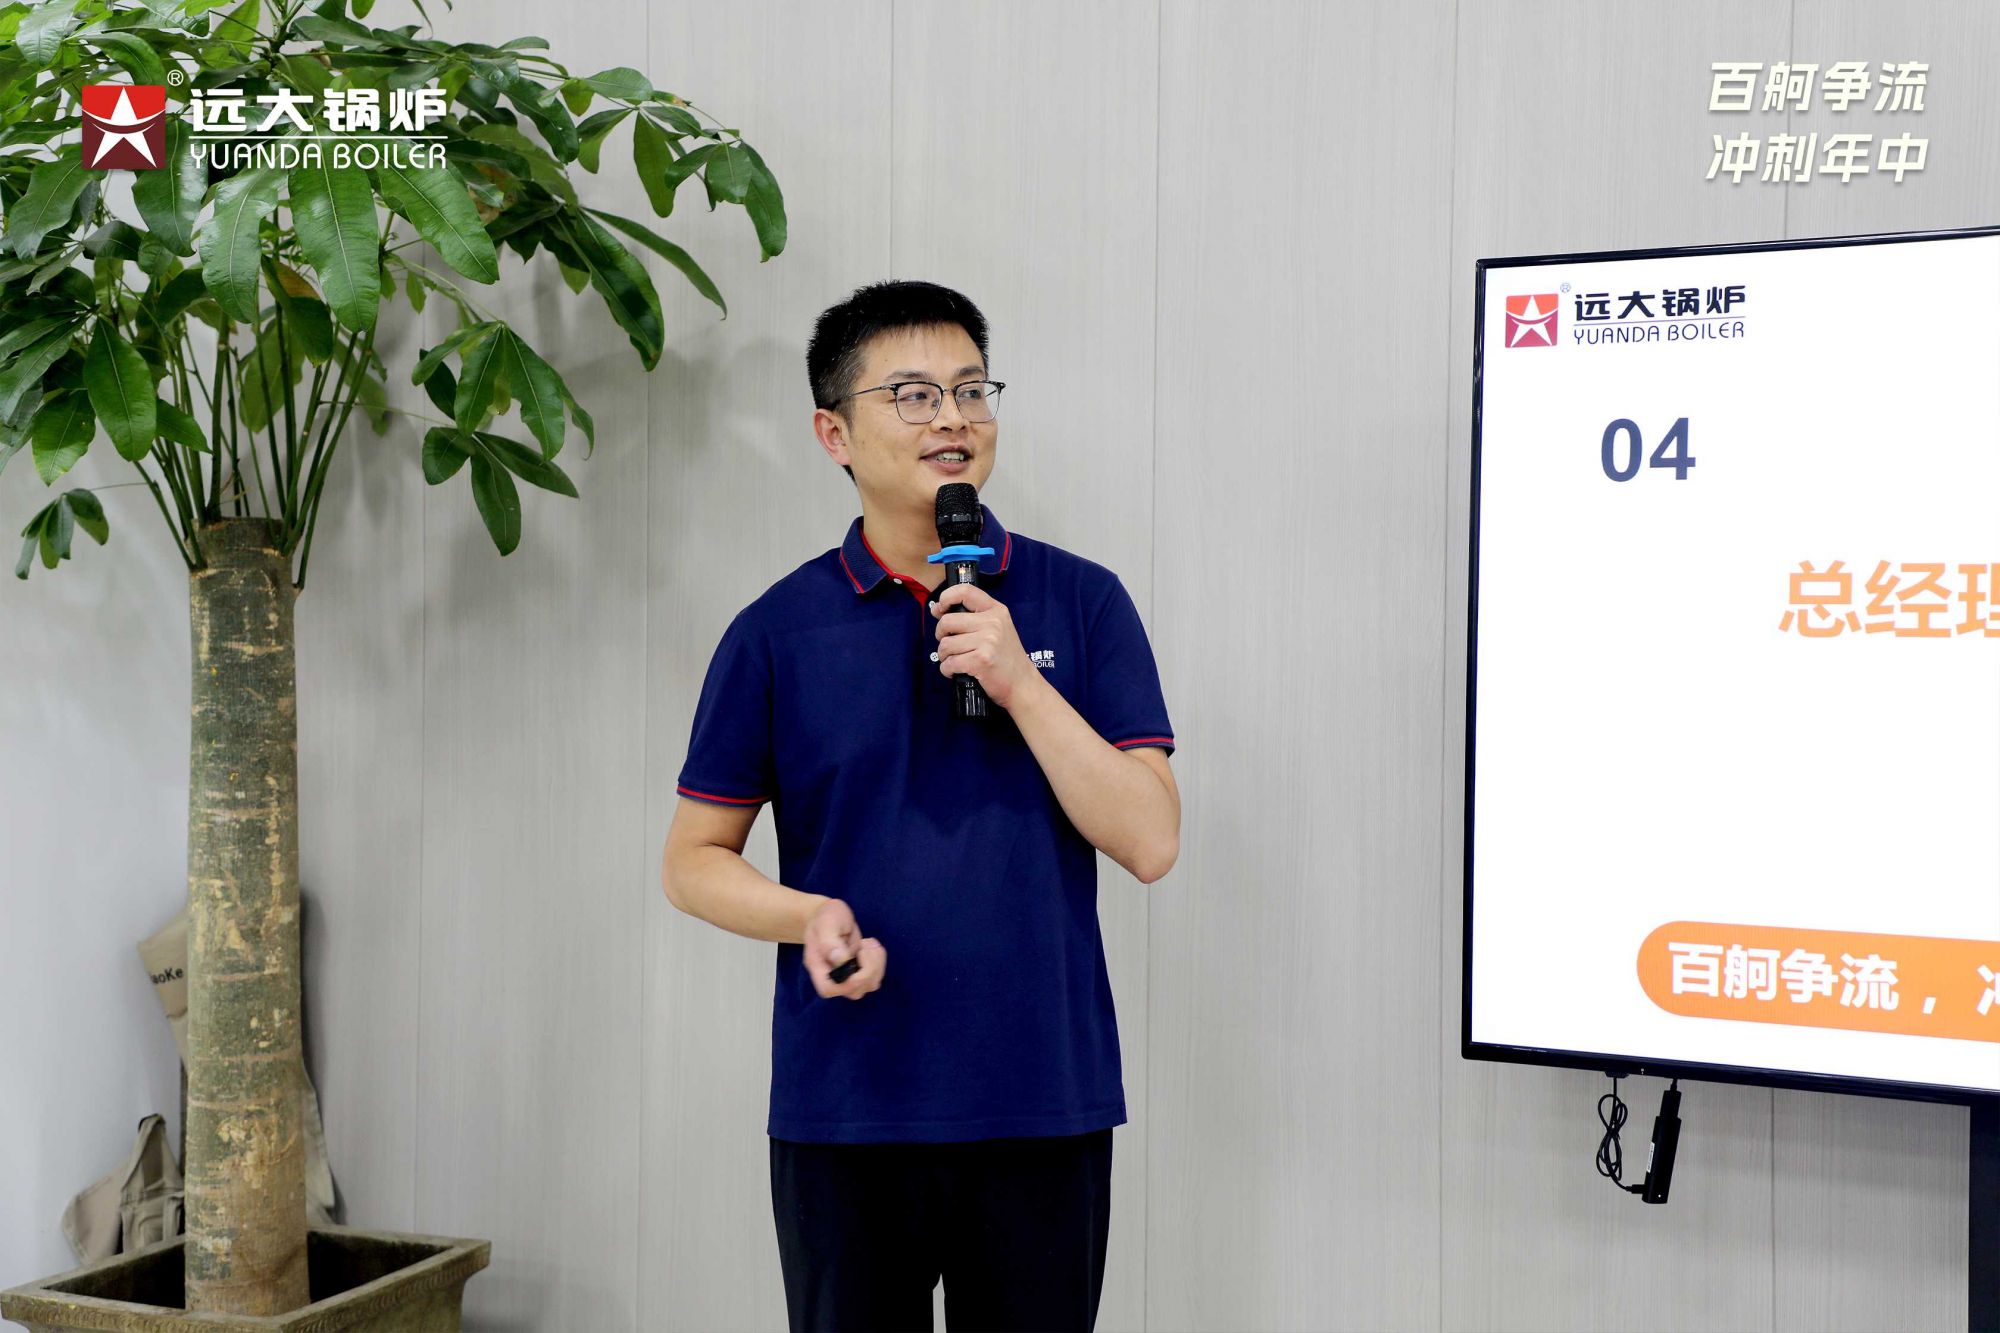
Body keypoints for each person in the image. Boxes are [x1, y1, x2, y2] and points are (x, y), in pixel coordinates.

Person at [660, 279, 1180, 1333]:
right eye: (912, 394)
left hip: (1042, 1104)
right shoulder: (775, 631)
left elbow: (1150, 838)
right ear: (833, 433)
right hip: (848, 1111)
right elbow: (693, 858)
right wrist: (806, 915)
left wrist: (1019, 681)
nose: (952, 418)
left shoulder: (1081, 601)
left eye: (971, 390)